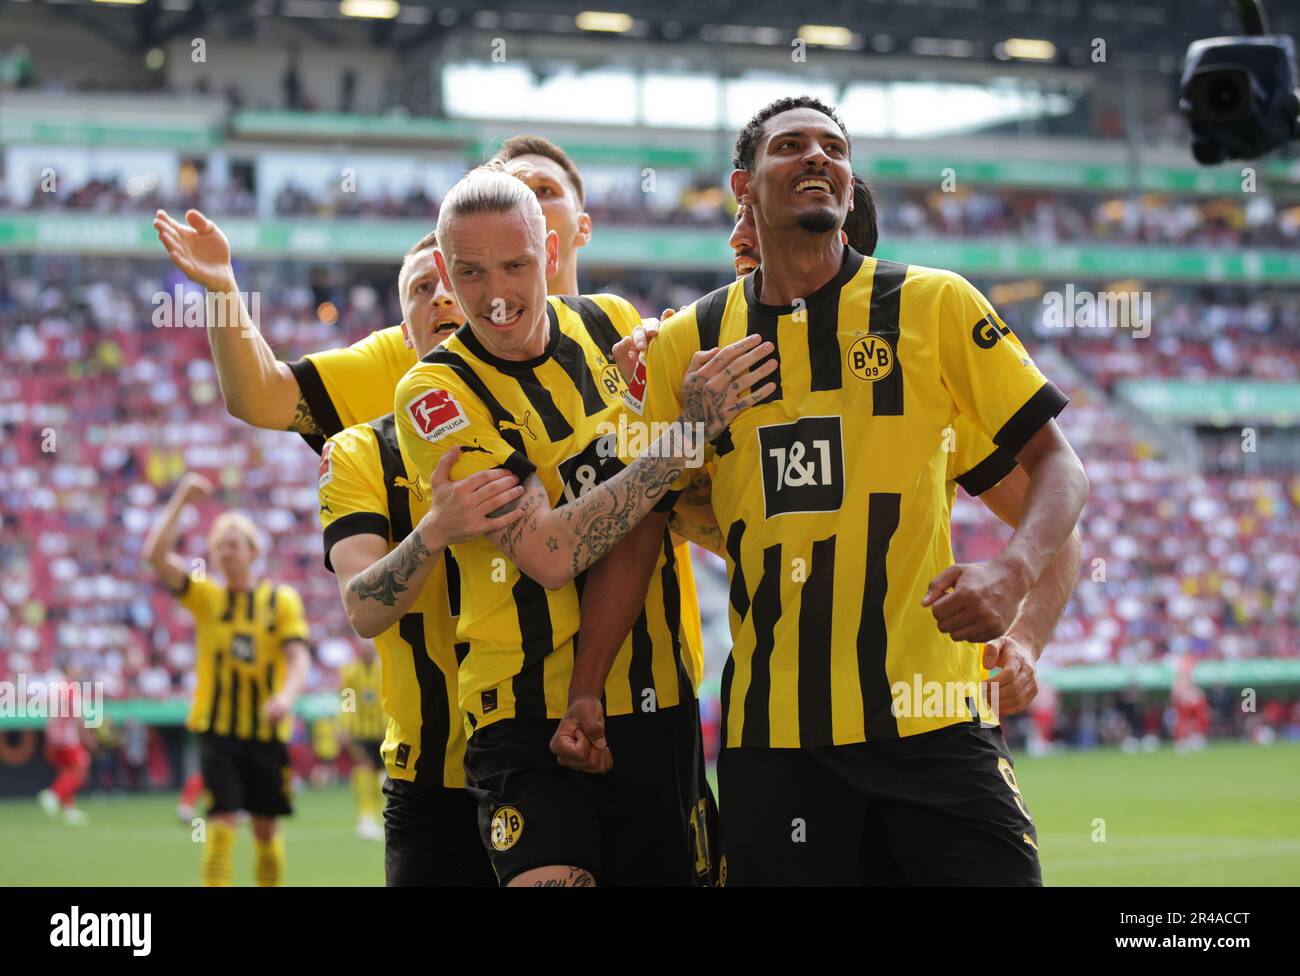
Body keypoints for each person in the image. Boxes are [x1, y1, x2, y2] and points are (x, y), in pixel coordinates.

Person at [631, 96, 1088, 885]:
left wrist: (1020, 602)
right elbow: (648, 517)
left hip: (936, 724)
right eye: (791, 145)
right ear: (743, 186)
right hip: (776, 742)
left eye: (834, 147)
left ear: (848, 182)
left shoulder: (933, 307)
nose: (818, 156)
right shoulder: (688, 348)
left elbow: (1061, 473)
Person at [393, 164, 774, 886]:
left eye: (516, 265)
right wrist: (679, 437)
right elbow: (547, 553)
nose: (497, 295)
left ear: (552, 251)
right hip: (523, 714)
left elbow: (665, 507)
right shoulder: (434, 391)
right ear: (444, 269)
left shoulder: (611, 324)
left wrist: (673, 418)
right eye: (471, 273)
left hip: (658, 696)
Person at [318, 231, 517, 885]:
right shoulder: (356, 453)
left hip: (541, 760)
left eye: (452, 281)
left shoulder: (548, 416)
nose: (439, 298)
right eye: (420, 289)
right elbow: (363, 608)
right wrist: (435, 530)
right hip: (428, 778)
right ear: (403, 330)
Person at [142, 473, 311, 887]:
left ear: (253, 551)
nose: (224, 552)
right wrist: (182, 497)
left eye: (233, 544)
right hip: (218, 730)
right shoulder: (207, 597)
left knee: (266, 832)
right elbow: (155, 555)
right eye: (219, 545)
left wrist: (286, 696)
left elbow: (298, 656)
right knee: (220, 825)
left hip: (266, 731)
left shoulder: (280, 600)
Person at [337, 642, 385, 841]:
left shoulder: (384, 670)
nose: (367, 651)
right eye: (364, 647)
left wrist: (390, 725)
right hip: (360, 733)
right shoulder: (350, 672)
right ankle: (366, 819)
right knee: (364, 773)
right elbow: (347, 700)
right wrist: (345, 727)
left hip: (382, 733)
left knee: (381, 776)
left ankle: (379, 816)